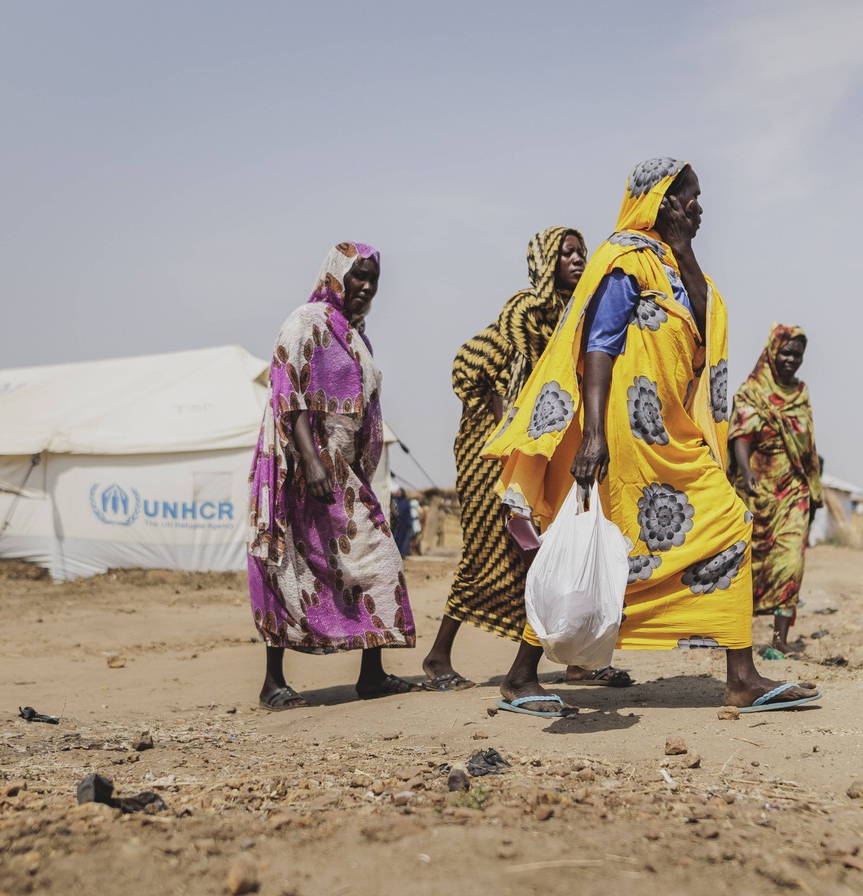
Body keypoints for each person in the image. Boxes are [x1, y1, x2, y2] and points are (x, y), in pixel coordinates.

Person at [481, 158, 821, 717]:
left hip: (669, 434)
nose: (700, 208)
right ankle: (521, 676)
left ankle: (741, 678)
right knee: (599, 547)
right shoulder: (626, 261)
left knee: (709, 530)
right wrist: (593, 435)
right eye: (691, 198)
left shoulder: (675, 268)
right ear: (664, 203)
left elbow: (706, 325)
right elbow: (599, 346)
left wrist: (684, 250)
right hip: (622, 437)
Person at [423, 228, 636, 691]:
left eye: (581, 252)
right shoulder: (525, 312)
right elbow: (477, 366)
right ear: (545, 261)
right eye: (566, 253)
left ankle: (577, 660)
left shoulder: (578, 312)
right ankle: (438, 657)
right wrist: (509, 426)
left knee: (557, 551)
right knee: (489, 553)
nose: (577, 260)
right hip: (495, 452)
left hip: (549, 449)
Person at [246, 241, 418, 711]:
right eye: (358, 275)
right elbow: (287, 388)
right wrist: (312, 461)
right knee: (287, 565)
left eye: (373, 280)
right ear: (336, 274)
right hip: (301, 468)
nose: (366, 287)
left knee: (378, 560)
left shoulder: (357, 337)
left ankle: (372, 675)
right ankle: (272, 682)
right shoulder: (308, 321)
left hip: (344, 472)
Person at [729, 324, 823, 655]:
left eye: (797, 354)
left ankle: (780, 640)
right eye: (785, 352)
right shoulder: (752, 391)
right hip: (758, 488)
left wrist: (813, 490)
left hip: (794, 489)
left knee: (791, 562)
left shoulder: (801, 393)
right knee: (749, 564)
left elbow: (808, 446)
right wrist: (746, 471)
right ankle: (737, 636)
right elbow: (741, 436)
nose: (791, 360)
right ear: (772, 352)